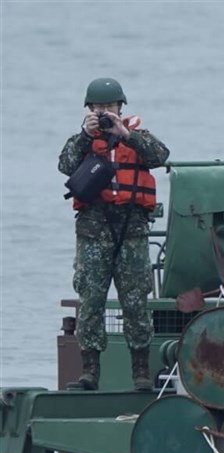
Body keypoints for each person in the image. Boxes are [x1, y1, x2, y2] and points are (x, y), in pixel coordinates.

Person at [58, 77, 169, 391]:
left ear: (120, 108)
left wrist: (126, 135)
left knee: (135, 302)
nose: (105, 112)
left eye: (110, 107)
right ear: (90, 109)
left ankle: (141, 373)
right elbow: (65, 164)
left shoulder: (137, 137)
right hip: (94, 233)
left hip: (131, 231)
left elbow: (160, 156)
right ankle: (90, 372)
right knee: (91, 301)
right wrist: (85, 135)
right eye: (99, 107)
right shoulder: (81, 141)